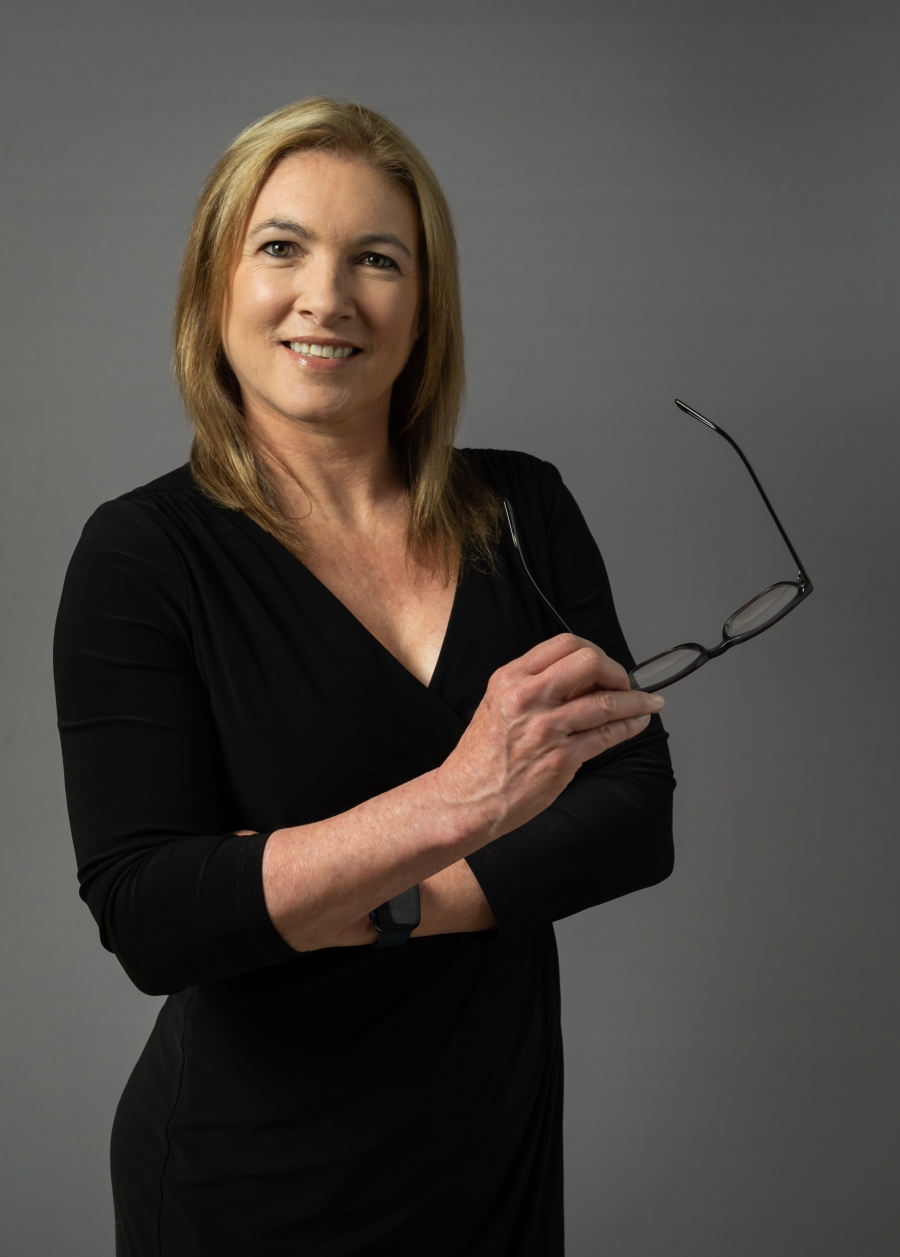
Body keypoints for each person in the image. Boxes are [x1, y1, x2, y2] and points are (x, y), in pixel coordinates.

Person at [53, 97, 675, 1256]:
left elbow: (633, 815)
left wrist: (351, 899)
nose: (327, 297)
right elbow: (154, 915)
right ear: (215, 285)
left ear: (425, 305)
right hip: (253, 1185)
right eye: (282, 248)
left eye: (377, 260)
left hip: (491, 1157)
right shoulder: (141, 556)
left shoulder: (523, 512)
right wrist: (461, 801)